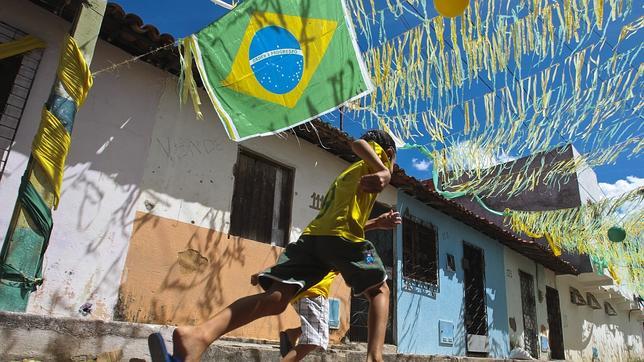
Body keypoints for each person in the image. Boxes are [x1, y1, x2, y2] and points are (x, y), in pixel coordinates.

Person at [148, 130, 400, 362]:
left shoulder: (348, 176)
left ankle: (198, 336)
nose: (391, 169)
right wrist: (383, 170)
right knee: (380, 290)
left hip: (313, 240)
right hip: (338, 238)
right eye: (393, 162)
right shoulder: (374, 159)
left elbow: (339, 225)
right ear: (389, 153)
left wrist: (376, 223)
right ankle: (375, 358)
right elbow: (358, 143)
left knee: (275, 300)